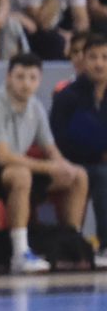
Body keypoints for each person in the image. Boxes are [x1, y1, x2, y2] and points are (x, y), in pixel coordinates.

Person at [0, 52, 90, 273]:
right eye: (20, 77)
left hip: (20, 167)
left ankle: (72, 245)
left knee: (78, 176)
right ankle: (20, 253)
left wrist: (64, 167)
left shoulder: (35, 107)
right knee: (20, 175)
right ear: (8, 77)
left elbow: (50, 149)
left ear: (39, 80)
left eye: (32, 78)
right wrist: (49, 167)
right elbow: (2, 157)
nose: (26, 84)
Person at [49, 33, 107, 254]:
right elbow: (59, 140)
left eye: (104, 57)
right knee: (103, 174)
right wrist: (99, 152)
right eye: (93, 57)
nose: (99, 63)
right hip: (73, 163)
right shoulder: (67, 97)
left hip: (100, 162)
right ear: (83, 60)